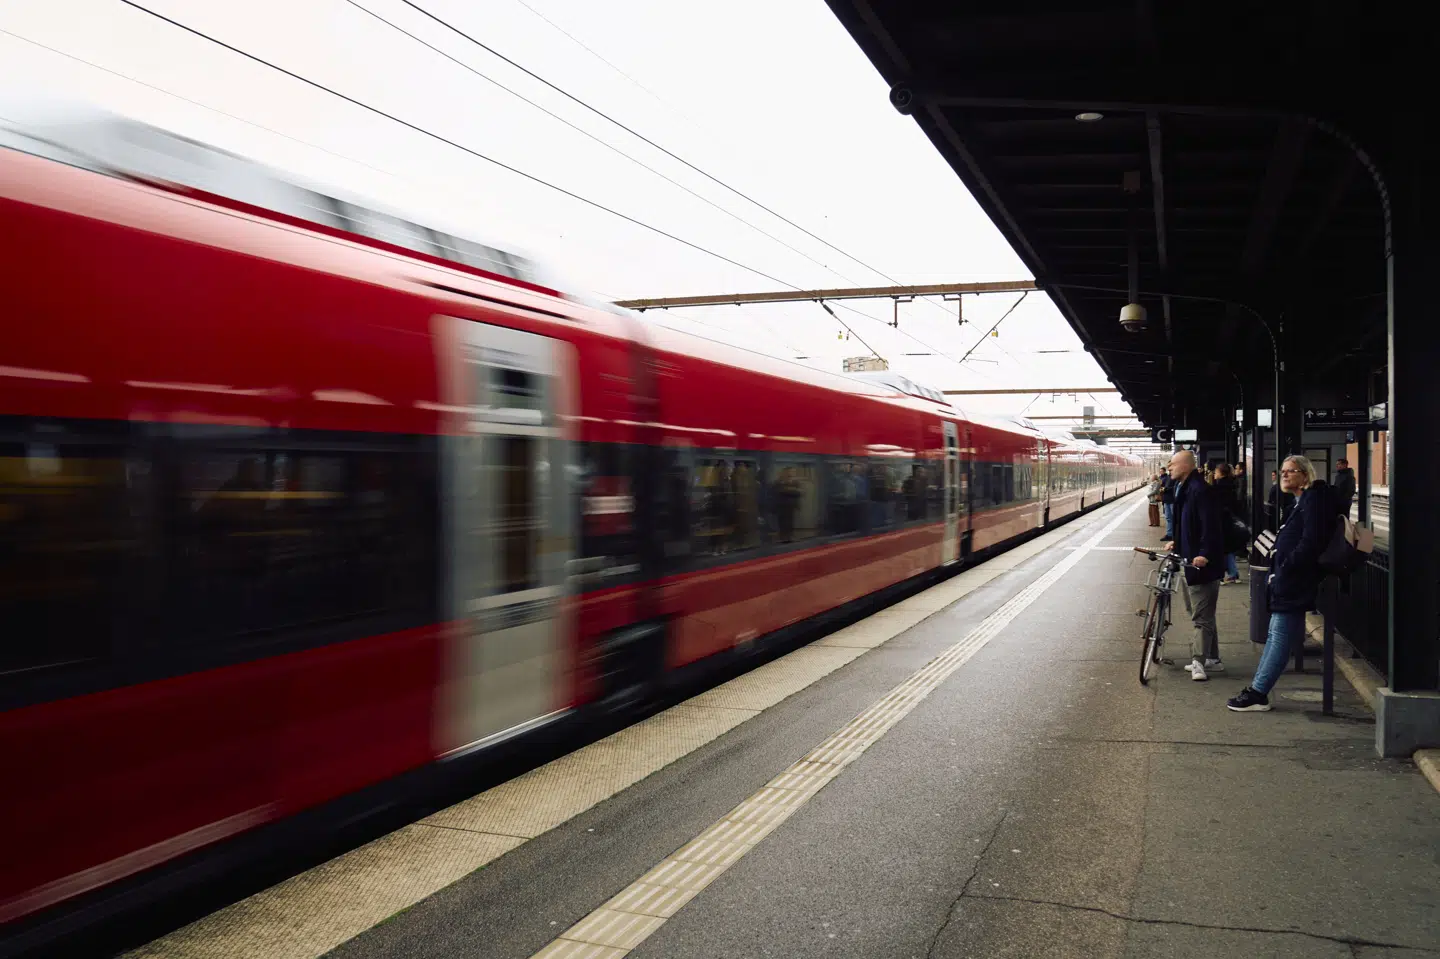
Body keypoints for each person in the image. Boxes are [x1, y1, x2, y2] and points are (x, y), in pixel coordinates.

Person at [1228, 455, 1342, 711]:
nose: (1285, 475)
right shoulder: (1301, 502)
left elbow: (1311, 541)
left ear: (1305, 474)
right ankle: (1258, 690)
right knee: (1277, 635)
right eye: (1283, 472)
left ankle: (1258, 693)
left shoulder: (1313, 500)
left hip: (1295, 580)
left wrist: (1287, 565)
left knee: (1278, 636)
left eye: (1291, 471)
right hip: (1290, 579)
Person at [1166, 449, 1225, 681]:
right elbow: (1189, 525)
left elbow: (1210, 527)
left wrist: (1204, 554)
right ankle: (1213, 658)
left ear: (1186, 466)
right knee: (1203, 613)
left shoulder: (1200, 491)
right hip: (1189, 560)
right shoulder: (1186, 488)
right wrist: (1177, 542)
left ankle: (1198, 662)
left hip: (1201, 564)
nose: (1169, 467)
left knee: (1201, 616)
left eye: (1173, 464)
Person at [1212, 463, 1242, 584]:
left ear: (1221, 473)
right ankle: (1233, 574)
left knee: (1220, 548)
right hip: (1230, 520)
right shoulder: (1232, 485)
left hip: (1221, 521)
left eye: (1216, 472)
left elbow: (1216, 506)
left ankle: (1220, 575)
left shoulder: (1218, 487)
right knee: (1228, 549)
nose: (1214, 474)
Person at [1160, 470, 1178, 542]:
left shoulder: (1176, 477)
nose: (1169, 469)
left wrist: (1166, 489)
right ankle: (1169, 534)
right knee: (1168, 518)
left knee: (1175, 518)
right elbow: (1164, 485)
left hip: (1172, 500)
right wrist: (1162, 488)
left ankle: (1176, 535)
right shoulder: (1168, 477)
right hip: (1166, 500)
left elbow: (1176, 487)